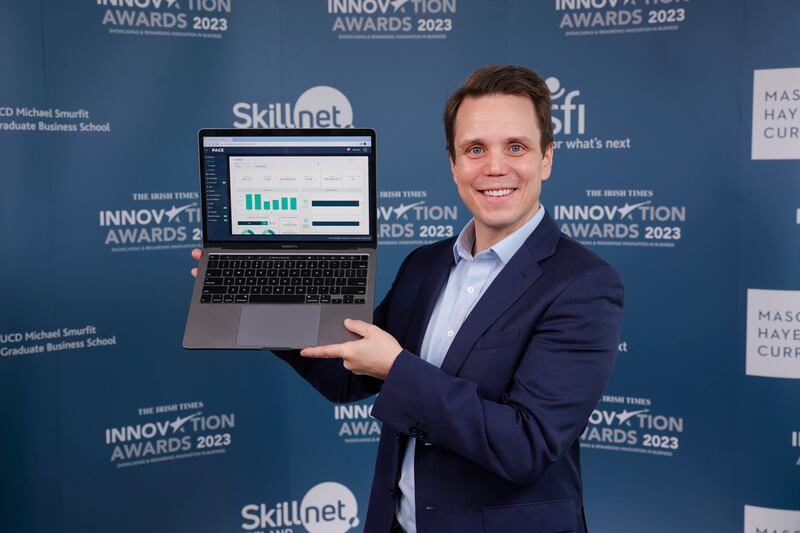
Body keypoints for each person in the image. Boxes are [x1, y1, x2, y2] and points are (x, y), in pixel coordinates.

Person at [192, 65, 623, 533]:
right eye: (474, 149)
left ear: (546, 159)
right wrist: (264, 300)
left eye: (515, 147)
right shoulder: (427, 264)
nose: (494, 166)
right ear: (454, 164)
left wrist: (397, 368)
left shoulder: (584, 284)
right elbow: (345, 376)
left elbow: (525, 446)